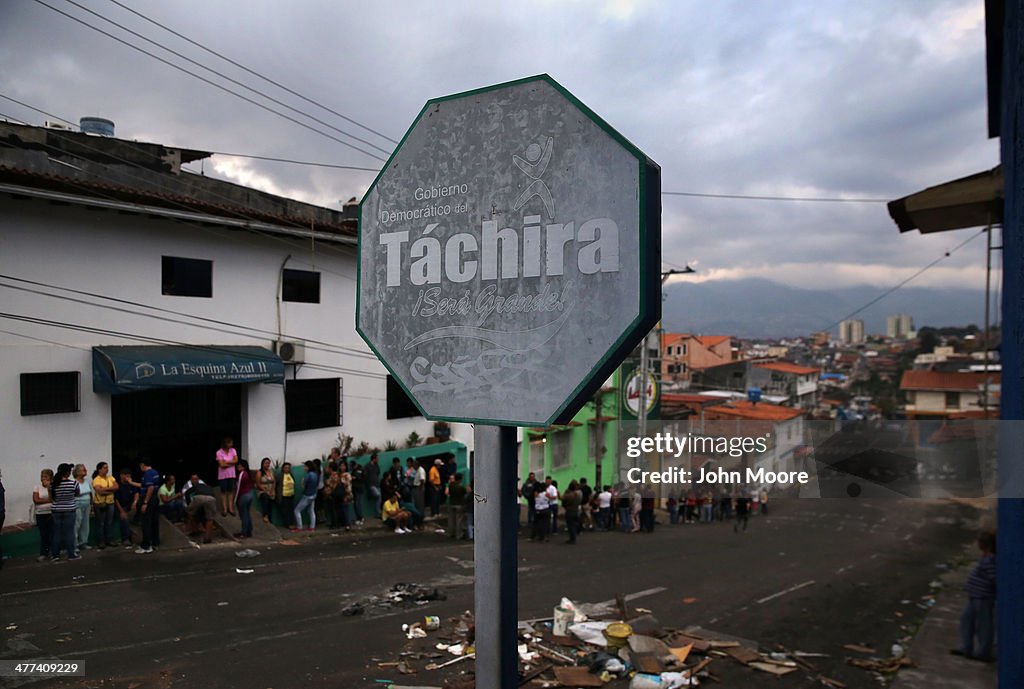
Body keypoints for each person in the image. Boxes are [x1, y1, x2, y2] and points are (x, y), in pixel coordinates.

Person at [953, 531, 997, 662]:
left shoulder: (991, 560)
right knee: (967, 621)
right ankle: (966, 647)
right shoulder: (987, 557)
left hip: (983, 597)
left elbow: (995, 578)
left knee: (983, 625)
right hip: (975, 595)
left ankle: (983, 652)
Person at [50, 463, 80, 560]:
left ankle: (55, 555)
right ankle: (71, 554)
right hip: (70, 509)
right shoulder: (73, 483)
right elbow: (77, 493)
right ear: (67, 472)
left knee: (57, 533)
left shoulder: (53, 484)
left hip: (56, 510)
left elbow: (52, 497)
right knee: (69, 533)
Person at [136, 458, 161, 554]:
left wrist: (145, 502)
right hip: (154, 499)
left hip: (149, 499)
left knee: (146, 522)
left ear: (143, 465)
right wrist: (131, 482)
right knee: (154, 521)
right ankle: (155, 542)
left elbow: (150, 488)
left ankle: (146, 545)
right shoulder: (155, 472)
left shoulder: (147, 474)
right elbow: (143, 485)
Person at [92, 462, 118, 548]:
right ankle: (101, 541)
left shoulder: (110, 477)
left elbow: (116, 487)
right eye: (104, 468)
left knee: (109, 522)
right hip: (100, 504)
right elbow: (100, 492)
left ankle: (109, 540)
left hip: (110, 502)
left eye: (107, 467)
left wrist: (105, 489)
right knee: (100, 523)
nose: (107, 469)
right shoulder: (96, 479)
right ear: (99, 469)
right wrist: (111, 490)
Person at [185, 479, 218, 544]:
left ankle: (194, 530)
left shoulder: (196, 486)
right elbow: (214, 496)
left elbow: (187, 493)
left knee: (190, 514)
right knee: (210, 519)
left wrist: (189, 504)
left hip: (198, 497)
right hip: (211, 498)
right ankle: (207, 538)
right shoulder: (209, 487)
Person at [33, 469, 54, 561]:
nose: (43, 479)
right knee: (44, 534)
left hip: (51, 513)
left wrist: (49, 488)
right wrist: (48, 501)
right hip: (40, 514)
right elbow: (36, 500)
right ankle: (43, 553)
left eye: (45, 476)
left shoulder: (53, 487)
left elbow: (53, 498)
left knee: (52, 534)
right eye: (42, 476)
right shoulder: (37, 487)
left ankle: (53, 552)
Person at [292, 460, 318, 531]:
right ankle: (312, 527)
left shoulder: (308, 475)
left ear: (308, 467)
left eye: (305, 466)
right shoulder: (315, 474)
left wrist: (302, 482)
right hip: (313, 495)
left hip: (307, 495)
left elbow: (304, 485)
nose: (304, 468)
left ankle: (299, 527)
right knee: (311, 510)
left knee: (297, 510)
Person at [114, 468, 138, 547]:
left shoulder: (131, 484)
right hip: (120, 507)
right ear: (121, 476)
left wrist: (134, 503)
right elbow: (116, 500)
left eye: (129, 476)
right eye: (126, 476)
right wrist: (121, 511)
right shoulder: (118, 485)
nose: (128, 477)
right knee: (125, 519)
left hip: (130, 506)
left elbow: (136, 494)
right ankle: (126, 539)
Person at [216, 437, 238, 517]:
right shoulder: (219, 452)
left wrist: (227, 461)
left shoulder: (233, 450)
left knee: (231, 491)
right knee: (223, 492)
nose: (231, 444)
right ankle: (225, 509)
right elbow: (221, 465)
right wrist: (231, 463)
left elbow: (236, 460)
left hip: (231, 474)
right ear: (226, 444)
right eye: (230, 443)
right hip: (223, 475)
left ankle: (231, 508)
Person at [73, 463, 93, 550]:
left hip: (87, 504)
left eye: (85, 469)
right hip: (77, 505)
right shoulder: (74, 482)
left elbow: (90, 493)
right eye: (82, 469)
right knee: (76, 525)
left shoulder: (87, 482)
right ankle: (75, 544)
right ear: (77, 472)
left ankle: (83, 542)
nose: (85, 471)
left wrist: (92, 504)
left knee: (85, 524)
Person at [234, 459, 254, 538]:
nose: (237, 467)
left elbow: (238, 487)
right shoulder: (247, 474)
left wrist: (235, 499)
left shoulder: (242, 474)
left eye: (239, 466)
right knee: (247, 514)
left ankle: (244, 533)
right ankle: (248, 531)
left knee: (244, 515)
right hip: (249, 495)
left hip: (243, 496)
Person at [530, 475, 551, 542]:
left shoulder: (536, 494)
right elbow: (549, 499)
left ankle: (534, 535)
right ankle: (542, 537)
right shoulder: (546, 494)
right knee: (544, 524)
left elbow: (535, 495)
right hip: (545, 509)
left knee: (536, 523)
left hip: (538, 510)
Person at [446, 473, 467, 540]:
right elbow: (465, 492)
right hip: (460, 504)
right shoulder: (461, 487)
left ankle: (451, 533)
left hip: (451, 503)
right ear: (460, 479)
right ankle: (459, 535)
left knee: (451, 520)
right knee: (459, 520)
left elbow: (448, 491)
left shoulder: (451, 486)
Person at [255, 457, 276, 524]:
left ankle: (270, 518)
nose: (267, 465)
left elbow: (274, 481)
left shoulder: (271, 471)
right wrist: (266, 491)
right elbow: (258, 483)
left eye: (268, 463)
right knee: (265, 497)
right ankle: (265, 515)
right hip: (262, 490)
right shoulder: (260, 472)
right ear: (262, 464)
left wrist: (272, 490)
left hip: (270, 490)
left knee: (270, 502)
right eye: (266, 463)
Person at [561, 480, 582, 544]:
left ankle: (573, 539)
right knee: (574, 524)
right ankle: (574, 536)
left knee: (571, 526)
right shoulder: (578, 494)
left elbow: (563, 499)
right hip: (576, 510)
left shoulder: (569, 495)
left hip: (570, 511)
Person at [278, 461, 296, 528]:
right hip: (284, 496)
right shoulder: (280, 475)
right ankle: (287, 524)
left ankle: (292, 523)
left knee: (291, 510)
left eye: (288, 468)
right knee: (285, 511)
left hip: (291, 495)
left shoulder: (290, 474)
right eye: (285, 468)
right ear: (283, 468)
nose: (287, 469)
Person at [349, 457, 366, 525]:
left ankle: (361, 518)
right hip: (355, 489)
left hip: (359, 489)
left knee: (358, 504)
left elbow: (363, 478)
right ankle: (358, 518)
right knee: (355, 504)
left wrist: (355, 478)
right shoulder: (353, 471)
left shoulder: (360, 470)